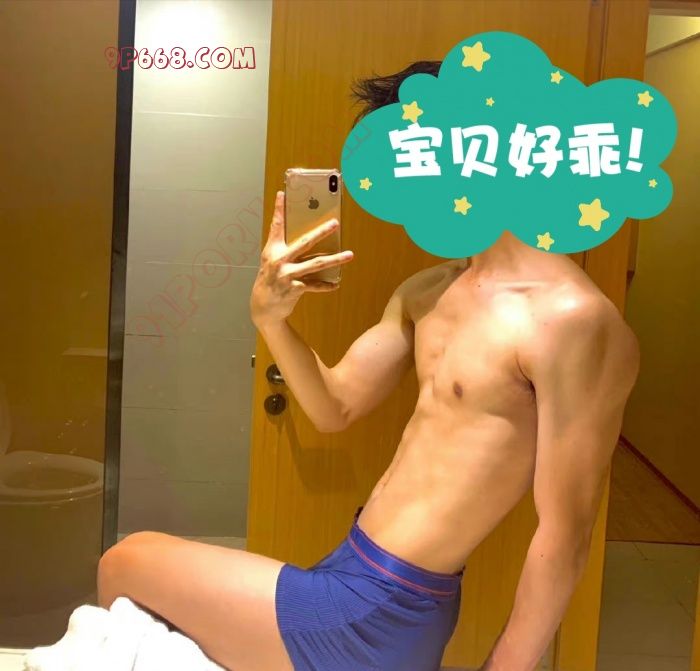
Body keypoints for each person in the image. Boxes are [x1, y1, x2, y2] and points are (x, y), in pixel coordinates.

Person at [97, 61, 640, 671]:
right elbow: (335, 406)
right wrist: (271, 320)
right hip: (352, 569)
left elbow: (566, 534)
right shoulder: (429, 290)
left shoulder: (572, 320)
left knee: (125, 562)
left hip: (386, 604)